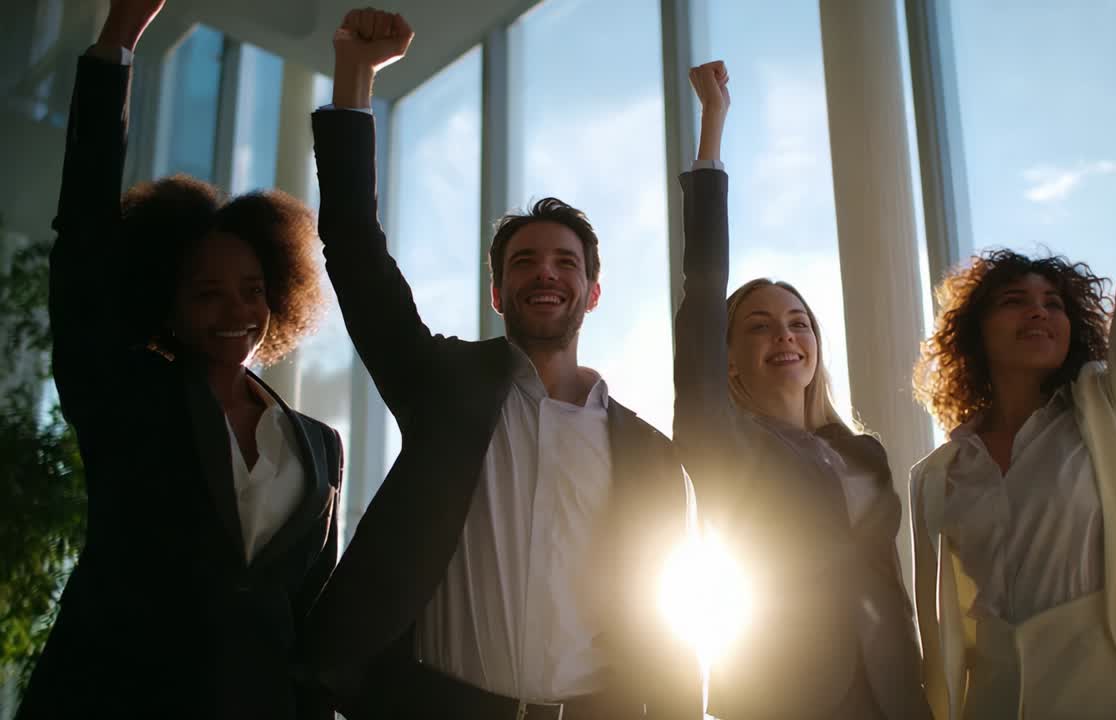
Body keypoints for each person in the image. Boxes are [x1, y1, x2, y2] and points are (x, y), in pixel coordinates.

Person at [297, 8, 701, 719]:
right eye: (524, 263)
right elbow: (356, 252)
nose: (545, 274)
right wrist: (356, 78)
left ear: (592, 291)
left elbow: (667, 624)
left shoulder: (649, 454)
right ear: (497, 292)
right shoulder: (442, 386)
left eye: (564, 263)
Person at [17, 1, 343, 717]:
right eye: (208, 293)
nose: (237, 313)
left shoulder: (320, 446)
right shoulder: (125, 395)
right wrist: (117, 45)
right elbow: (83, 237)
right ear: (168, 306)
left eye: (252, 290)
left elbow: (313, 618)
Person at [910, 31, 1116, 720]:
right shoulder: (939, 476)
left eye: (1053, 304)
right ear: (974, 336)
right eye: (1015, 301)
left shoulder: (1103, 410)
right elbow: (946, 633)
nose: (1039, 313)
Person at [672, 60, 931, 720]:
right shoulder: (721, 440)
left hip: (894, 698)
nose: (784, 337)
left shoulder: (864, 454)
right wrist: (712, 135)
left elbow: (892, 590)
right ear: (727, 360)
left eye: (798, 323)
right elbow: (703, 294)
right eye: (759, 327)